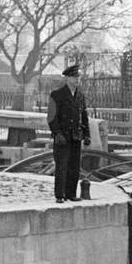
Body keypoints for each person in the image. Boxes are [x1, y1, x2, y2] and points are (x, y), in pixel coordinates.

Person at [47, 64, 90, 203]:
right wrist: (57, 133)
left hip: (76, 137)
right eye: (74, 77)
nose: (77, 80)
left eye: (78, 77)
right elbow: (51, 117)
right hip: (62, 137)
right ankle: (60, 195)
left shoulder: (80, 96)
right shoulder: (57, 95)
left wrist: (87, 134)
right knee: (61, 166)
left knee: (74, 167)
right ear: (67, 78)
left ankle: (71, 194)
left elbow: (84, 116)